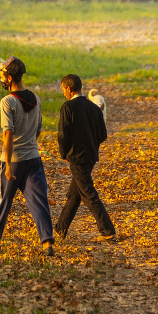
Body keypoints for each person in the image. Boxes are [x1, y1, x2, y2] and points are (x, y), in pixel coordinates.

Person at [0, 55, 55, 256]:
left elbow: (8, 133)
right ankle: (47, 243)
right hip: (33, 159)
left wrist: (8, 165)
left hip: (12, 161)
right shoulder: (36, 99)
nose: (2, 79)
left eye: (3, 76)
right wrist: (30, 143)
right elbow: (39, 129)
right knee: (40, 201)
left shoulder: (7, 102)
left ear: (10, 79)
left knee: (3, 201)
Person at [55, 74, 116, 241]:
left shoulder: (67, 107)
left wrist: (64, 154)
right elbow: (102, 134)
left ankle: (107, 230)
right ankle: (59, 230)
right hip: (90, 156)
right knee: (75, 194)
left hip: (76, 157)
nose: (64, 93)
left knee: (88, 193)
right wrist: (91, 144)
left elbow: (63, 135)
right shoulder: (94, 108)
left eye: (63, 90)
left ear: (68, 89)